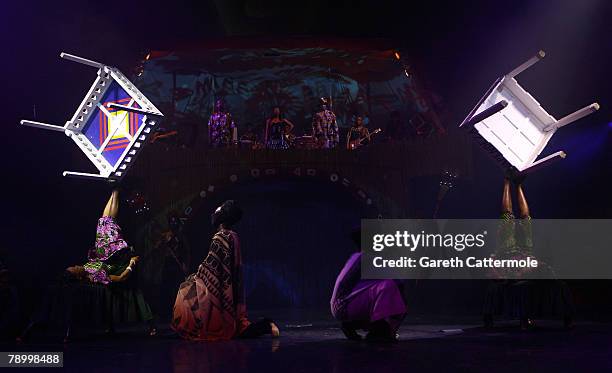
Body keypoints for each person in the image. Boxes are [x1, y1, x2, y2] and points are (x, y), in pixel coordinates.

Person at [172, 200, 280, 340]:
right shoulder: (232, 235)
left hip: (218, 287)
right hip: (228, 286)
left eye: (216, 212)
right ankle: (266, 325)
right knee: (237, 331)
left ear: (221, 217)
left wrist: (195, 276)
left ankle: (265, 325)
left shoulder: (220, 237)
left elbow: (211, 266)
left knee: (184, 291)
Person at [483, 172, 574, 329]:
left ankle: (509, 181)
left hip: (509, 253)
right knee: (524, 218)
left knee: (509, 217)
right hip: (516, 254)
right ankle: (514, 183)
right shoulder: (527, 269)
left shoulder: (530, 272)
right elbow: (493, 273)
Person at [330, 227, 407, 342]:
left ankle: (352, 325)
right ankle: (378, 329)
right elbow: (397, 280)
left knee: (386, 288)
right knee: (389, 286)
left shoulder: (359, 257)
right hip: (344, 307)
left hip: (344, 305)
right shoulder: (366, 258)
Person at [65, 190, 140, 284]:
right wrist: (131, 264)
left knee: (103, 221)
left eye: (74, 266)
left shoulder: (86, 268)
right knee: (109, 221)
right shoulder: (95, 278)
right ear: (78, 277)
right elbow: (121, 278)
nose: (76, 265)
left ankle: (114, 191)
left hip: (102, 246)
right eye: (75, 269)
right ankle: (116, 190)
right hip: (112, 251)